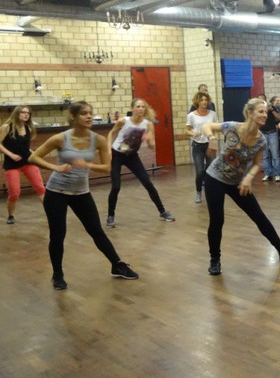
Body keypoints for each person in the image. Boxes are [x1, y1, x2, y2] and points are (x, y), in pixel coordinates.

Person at [28, 101, 139, 290]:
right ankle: (57, 274)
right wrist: (56, 167)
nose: (89, 116)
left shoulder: (98, 140)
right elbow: (33, 157)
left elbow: (107, 167)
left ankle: (117, 265)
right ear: (73, 117)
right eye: (83, 113)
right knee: (58, 234)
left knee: (96, 230)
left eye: (90, 113)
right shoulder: (60, 138)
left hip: (81, 192)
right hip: (56, 192)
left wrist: (87, 165)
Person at [201, 97, 280, 276]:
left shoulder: (261, 140)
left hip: (237, 183)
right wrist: (211, 138)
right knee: (217, 220)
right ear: (250, 113)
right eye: (260, 112)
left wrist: (249, 177)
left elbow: (257, 163)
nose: (264, 115)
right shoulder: (232, 127)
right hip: (215, 178)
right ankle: (215, 260)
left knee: (259, 216)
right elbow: (207, 126)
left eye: (265, 112)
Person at [106, 98, 175, 227]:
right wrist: (108, 149)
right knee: (116, 187)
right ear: (132, 108)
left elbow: (152, 146)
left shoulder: (148, 124)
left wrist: (148, 140)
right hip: (117, 155)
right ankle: (110, 216)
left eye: (143, 107)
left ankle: (162, 212)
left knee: (148, 183)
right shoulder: (123, 121)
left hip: (132, 156)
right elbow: (111, 133)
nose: (141, 109)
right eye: (138, 106)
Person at [0, 106, 45, 224]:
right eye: (23, 112)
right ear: (16, 113)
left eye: (28, 113)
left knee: (40, 187)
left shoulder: (27, 128)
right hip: (12, 165)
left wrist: (33, 153)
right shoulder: (6, 127)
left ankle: (51, 213)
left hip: (28, 162)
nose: (26, 115)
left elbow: (24, 147)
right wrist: (11, 155)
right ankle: (11, 215)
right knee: (14, 193)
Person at [186, 91, 218, 203]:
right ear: (197, 102)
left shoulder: (212, 114)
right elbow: (187, 130)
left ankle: (211, 191)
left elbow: (216, 127)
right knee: (199, 171)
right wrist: (193, 133)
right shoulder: (191, 115)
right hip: (197, 146)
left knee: (211, 169)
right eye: (201, 100)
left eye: (205, 100)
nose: (204, 102)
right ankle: (198, 192)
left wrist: (213, 138)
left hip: (210, 145)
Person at [259, 95, 280, 181]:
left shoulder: (272, 108)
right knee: (265, 155)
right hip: (262, 133)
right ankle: (268, 173)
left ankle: (277, 174)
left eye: (262, 100)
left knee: (275, 155)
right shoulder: (258, 110)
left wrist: (271, 110)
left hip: (272, 133)